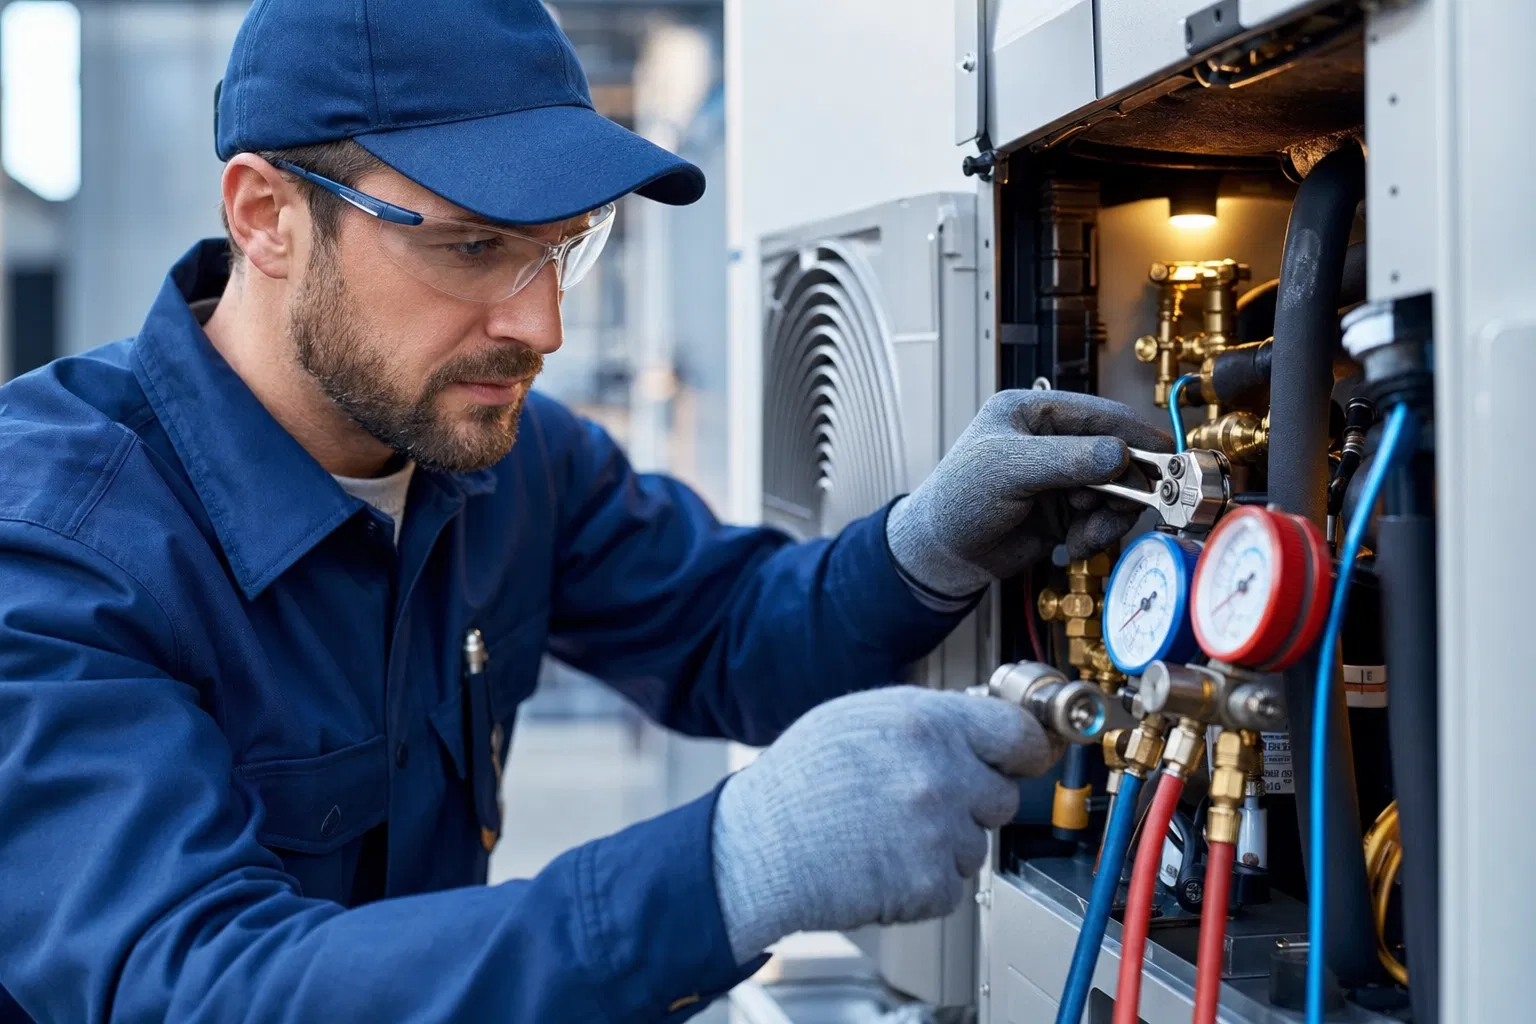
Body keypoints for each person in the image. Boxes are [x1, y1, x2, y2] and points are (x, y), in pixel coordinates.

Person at [0, 1, 1168, 1021]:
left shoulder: (504, 460)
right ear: (266, 217)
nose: (543, 328)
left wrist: (925, 550)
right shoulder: (55, 550)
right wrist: (723, 872)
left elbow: (722, 632)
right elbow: (201, 988)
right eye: (473, 247)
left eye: (566, 248)